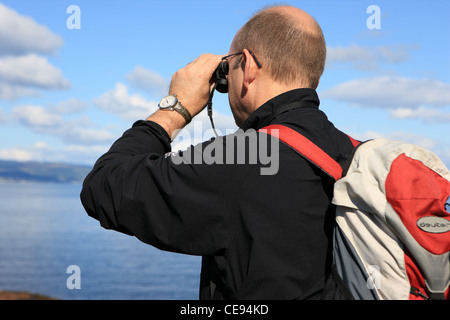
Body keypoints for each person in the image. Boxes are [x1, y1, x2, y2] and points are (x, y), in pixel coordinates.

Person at [81, 5, 356, 299]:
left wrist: (176, 107)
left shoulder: (243, 159)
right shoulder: (352, 153)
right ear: (314, 79)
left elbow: (103, 188)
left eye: (230, 65)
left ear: (248, 66)